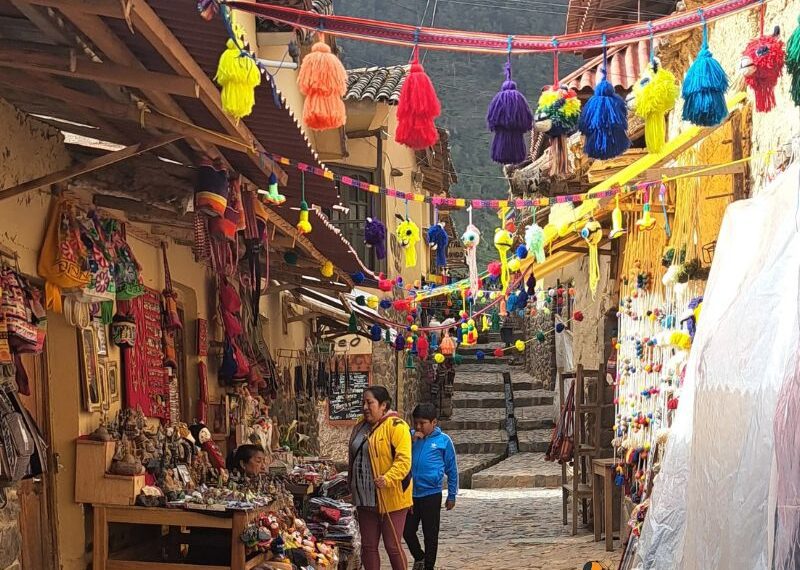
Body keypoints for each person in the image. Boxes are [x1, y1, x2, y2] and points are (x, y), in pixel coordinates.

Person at [348, 386, 412, 570]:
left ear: (383, 405)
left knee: (392, 546)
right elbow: (354, 456)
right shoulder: (360, 426)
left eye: (370, 403)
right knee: (368, 547)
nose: (365, 407)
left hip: (390, 496)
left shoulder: (397, 427)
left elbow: (403, 460)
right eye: (363, 403)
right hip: (364, 497)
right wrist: (350, 481)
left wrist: (388, 478)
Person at [404, 403, 458, 570]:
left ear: (433, 422)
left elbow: (452, 469)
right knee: (407, 531)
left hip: (432, 495)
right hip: (411, 495)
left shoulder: (443, 441)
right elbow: (401, 458)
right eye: (416, 423)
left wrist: (451, 495)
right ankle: (419, 556)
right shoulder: (409, 437)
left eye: (423, 423)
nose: (418, 426)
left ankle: (428, 566)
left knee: (430, 534)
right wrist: (411, 442)